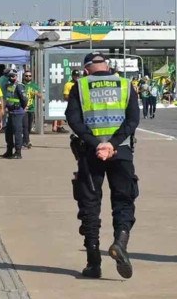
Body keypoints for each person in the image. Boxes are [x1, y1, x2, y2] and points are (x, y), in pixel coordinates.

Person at [65, 52, 140, 279]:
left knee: (89, 204)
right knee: (123, 200)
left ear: (86, 69)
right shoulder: (126, 85)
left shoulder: (81, 86)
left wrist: (98, 144)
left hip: (90, 153)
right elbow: (133, 119)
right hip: (122, 152)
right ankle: (120, 241)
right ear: (107, 66)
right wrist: (113, 144)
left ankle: (93, 261)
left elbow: (73, 119)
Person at [0, 69, 28, 159]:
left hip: (18, 112)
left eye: (13, 75)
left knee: (17, 132)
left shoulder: (19, 86)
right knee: (8, 132)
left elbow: (24, 99)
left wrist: (22, 107)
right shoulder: (8, 85)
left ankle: (18, 152)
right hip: (10, 112)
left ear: (16, 76)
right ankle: (9, 151)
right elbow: (6, 97)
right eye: (10, 76)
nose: (11, 77)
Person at [22, 70, 41, 148]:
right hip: (23, 109)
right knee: (25, 126)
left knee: (29, 127)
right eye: (26, 76)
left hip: (31, 108)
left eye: (29, 76)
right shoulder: (21, 85)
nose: (28, 77)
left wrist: (36, 93)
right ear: (24, 76)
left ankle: (25, 140)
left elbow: (41, 95)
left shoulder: (34, 85)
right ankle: (27, 142)